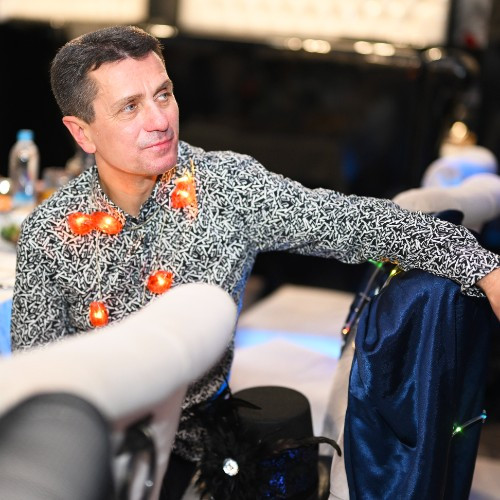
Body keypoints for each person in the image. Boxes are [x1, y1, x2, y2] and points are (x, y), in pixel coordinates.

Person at [10, 25, 500, 498]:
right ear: (82, 133)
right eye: (130, 107)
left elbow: (355, 222)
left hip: (206, 450)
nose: (159, 121)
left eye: (163, 94)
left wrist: (484, 267)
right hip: (92, 453)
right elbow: (37, 386)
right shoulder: (51, 233)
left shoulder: (228, 188)